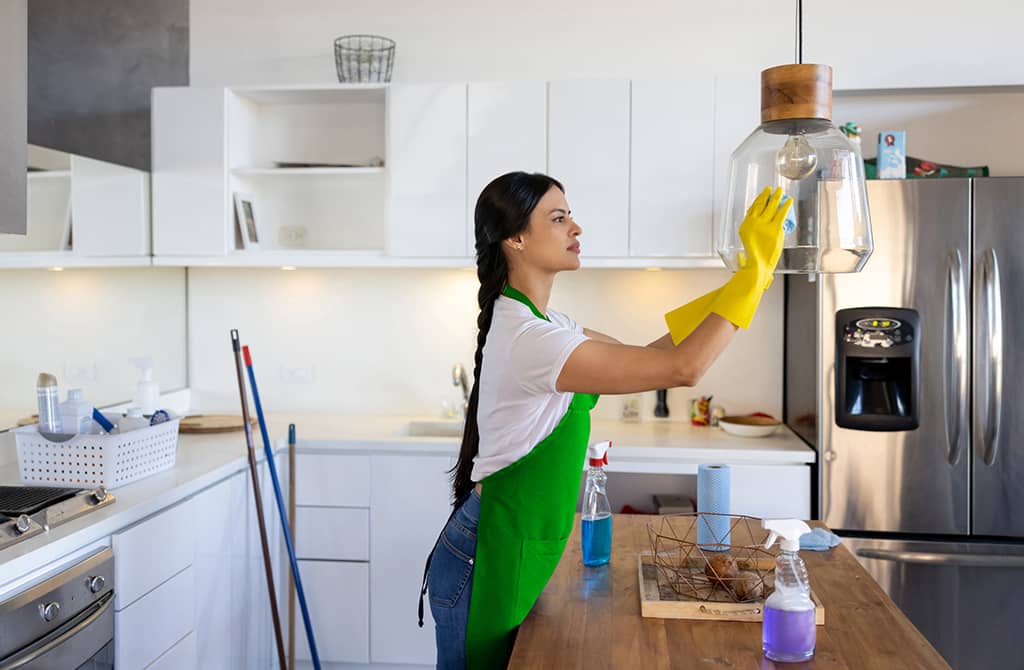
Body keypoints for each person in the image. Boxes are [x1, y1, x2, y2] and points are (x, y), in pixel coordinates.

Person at [418, 172, 791, 669]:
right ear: (516, 238)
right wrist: (749, 280)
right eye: (558, 217)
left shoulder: (551, 326)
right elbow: (683, 369)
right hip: (487, 555)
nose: (576, 227)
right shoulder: (534, 340)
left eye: (570, 215)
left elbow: (655, 354)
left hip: (514, 546)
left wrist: (749, 279)